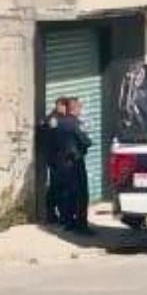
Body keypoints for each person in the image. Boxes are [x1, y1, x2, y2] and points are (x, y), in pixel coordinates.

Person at [58, 97, 94, 234]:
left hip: (63, 162)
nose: (81, 110)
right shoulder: (75, 123)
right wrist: (87, 143)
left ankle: (68, 222)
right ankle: (82, 225)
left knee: (68, 193)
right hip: (76, 162)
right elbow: (85, 141)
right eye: (80, 108)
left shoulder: (60, 123)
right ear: (75, 108)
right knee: (81, 194)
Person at [39, 98, 70, 225]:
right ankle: (56, 214)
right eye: (64, 106)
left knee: (56, 186)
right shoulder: (54, 119)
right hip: (56, 158)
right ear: (60, 106)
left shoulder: (52, 119)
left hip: (54, 158)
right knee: (58, 187)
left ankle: (53, 214)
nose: (65, 109)